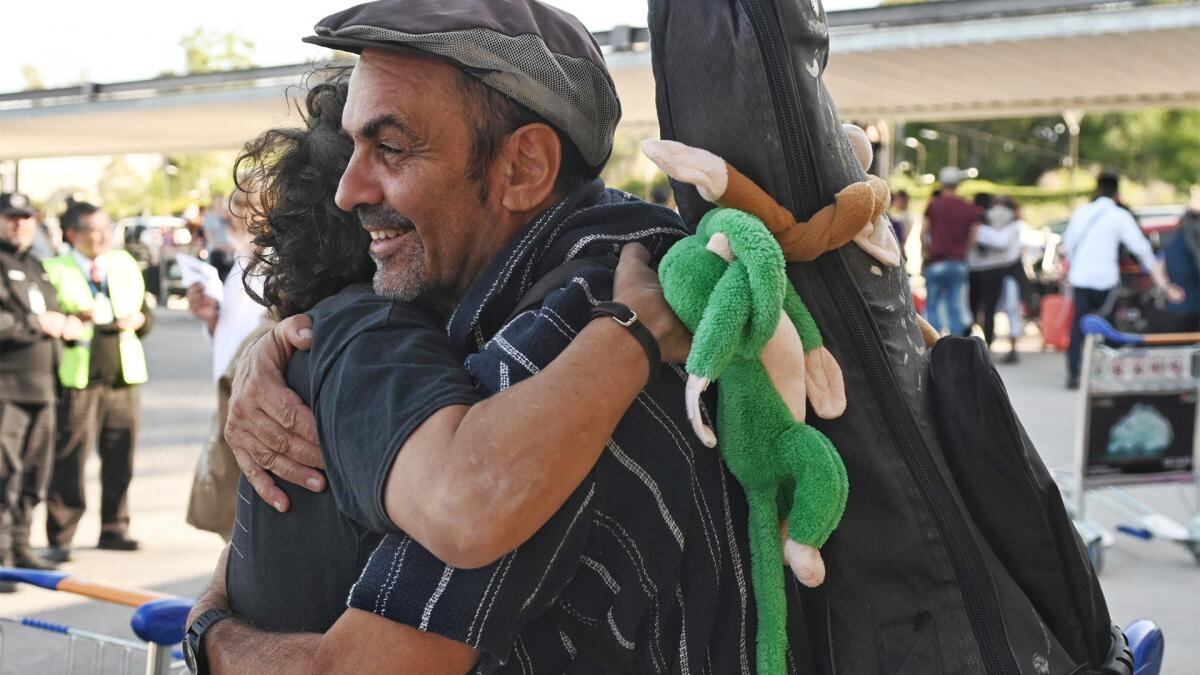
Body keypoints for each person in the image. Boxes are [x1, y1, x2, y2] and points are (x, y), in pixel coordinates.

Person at [188, 2, 804, 672]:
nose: (347, 190)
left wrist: (211, 629)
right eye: (353, 144)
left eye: (390, 147)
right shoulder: (547, 289)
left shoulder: (579, 328)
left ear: (524, 168)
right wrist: (275, 354)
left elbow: (361, 652)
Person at [41, 202, 153, 561]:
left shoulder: (123, 263)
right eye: (94, 230)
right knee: (70, 456)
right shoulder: (53, 268)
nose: (103, 236)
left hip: (123, 373)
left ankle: (114, 528)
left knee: (121, 453)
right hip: (79, 376)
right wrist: (72, 317)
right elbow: (45, 316)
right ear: (73, 234)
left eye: (107, 228)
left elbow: (146, 314)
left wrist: (140, 321)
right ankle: (61, 535)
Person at [0, 193, 82, 585]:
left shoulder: (36, 265)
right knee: (4, 475)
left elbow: (51, 316)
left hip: (44, 386)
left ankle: (20, 548)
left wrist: (66, 326)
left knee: (34, 474)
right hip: (6, 388)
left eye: (25, 218)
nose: (19, 224)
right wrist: (39, 324)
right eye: (10, 218)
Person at [185, 188, 271, 539]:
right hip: (231, 390)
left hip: (255, 395)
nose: (228, 219)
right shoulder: (242, 263)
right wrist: (210, 319)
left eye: (241, 209)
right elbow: (232, 334)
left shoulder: (279, 264)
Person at [1061, 173, 1183, 389]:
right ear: (1117, 194)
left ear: (1097, 190)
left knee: (1078, 327)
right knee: (1106, 329)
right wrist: (1163, 282)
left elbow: (1067, 246)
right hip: (1106, 281)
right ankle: (1102, 372)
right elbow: (1142, 249)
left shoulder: (1082, 212)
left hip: (1080, 279)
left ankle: (1073, 373)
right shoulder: (1118, 215)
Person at [922, 166, 978, 336]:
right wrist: (962, 249)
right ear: (958, 184)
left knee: (931, 304)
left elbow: (923, 232)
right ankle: (955, 344)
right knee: (955, 306)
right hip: (958, 263)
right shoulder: (968, 208)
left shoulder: (934, 205)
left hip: (936, 261)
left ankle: (935, 342)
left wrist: (926, 251)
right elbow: (974, 239)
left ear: (941, 183)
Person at [968, 195, 1024, 352]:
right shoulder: (1012, 222)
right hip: (1001, 268)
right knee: (994, 308)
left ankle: (971, 343)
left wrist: (979, 233)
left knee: (974, 307)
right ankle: (990, 345)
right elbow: (1003, 242)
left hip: (976, 268)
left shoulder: (979, 222)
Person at [1161, 204, 1200, 332]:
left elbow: (1158, 267)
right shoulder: (1191, 240)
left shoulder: (1172, 242)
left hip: (1179, 309)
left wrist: (1167, 288)